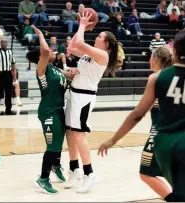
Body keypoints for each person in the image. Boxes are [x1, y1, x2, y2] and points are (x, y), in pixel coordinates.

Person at [98, 30, 185, 202]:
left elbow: (137, 114)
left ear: (175, 50)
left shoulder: (157, 78)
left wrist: (113, 140)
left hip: (165, 144)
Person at [64, 12, 119, 193]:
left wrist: (81, 25)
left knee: (79, 135)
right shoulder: (90, 53)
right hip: (74, 93)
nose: (96, 37)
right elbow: (72, 47)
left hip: (84, 97)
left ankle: (90, 174)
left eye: (99, 36)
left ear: (107, 44)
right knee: (70, 133)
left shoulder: (102, 56)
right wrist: (83, 28)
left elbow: (79, 43)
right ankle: (74, 169)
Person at [26, 25, 78, 194]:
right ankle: (43, 178)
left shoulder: (56, 69)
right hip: (48, 111)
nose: (54, 51)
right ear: (42, 56)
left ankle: (56, 165)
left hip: (58, 109)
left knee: (58, 143)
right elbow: (47, 51)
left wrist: (77, 70)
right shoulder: (42, 69)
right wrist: (40, 35)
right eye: (51, 51)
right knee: (53, 146)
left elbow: (71, 76)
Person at [139, 47, 173, 200]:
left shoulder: (155, 78)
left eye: (150, 57)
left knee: (146, 173)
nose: (149, 60)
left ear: (156, 59)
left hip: (160, 133)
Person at [0, 40, 16, 114]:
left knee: (9, 92)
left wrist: (14, 76)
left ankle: (8, 109)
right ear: (0, 43)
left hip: (8, 73)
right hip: (0, 73)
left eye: (5, 42)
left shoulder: (10, 52)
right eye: (2, 42)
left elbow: (13, 64)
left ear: (7, 43)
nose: (3, 44)